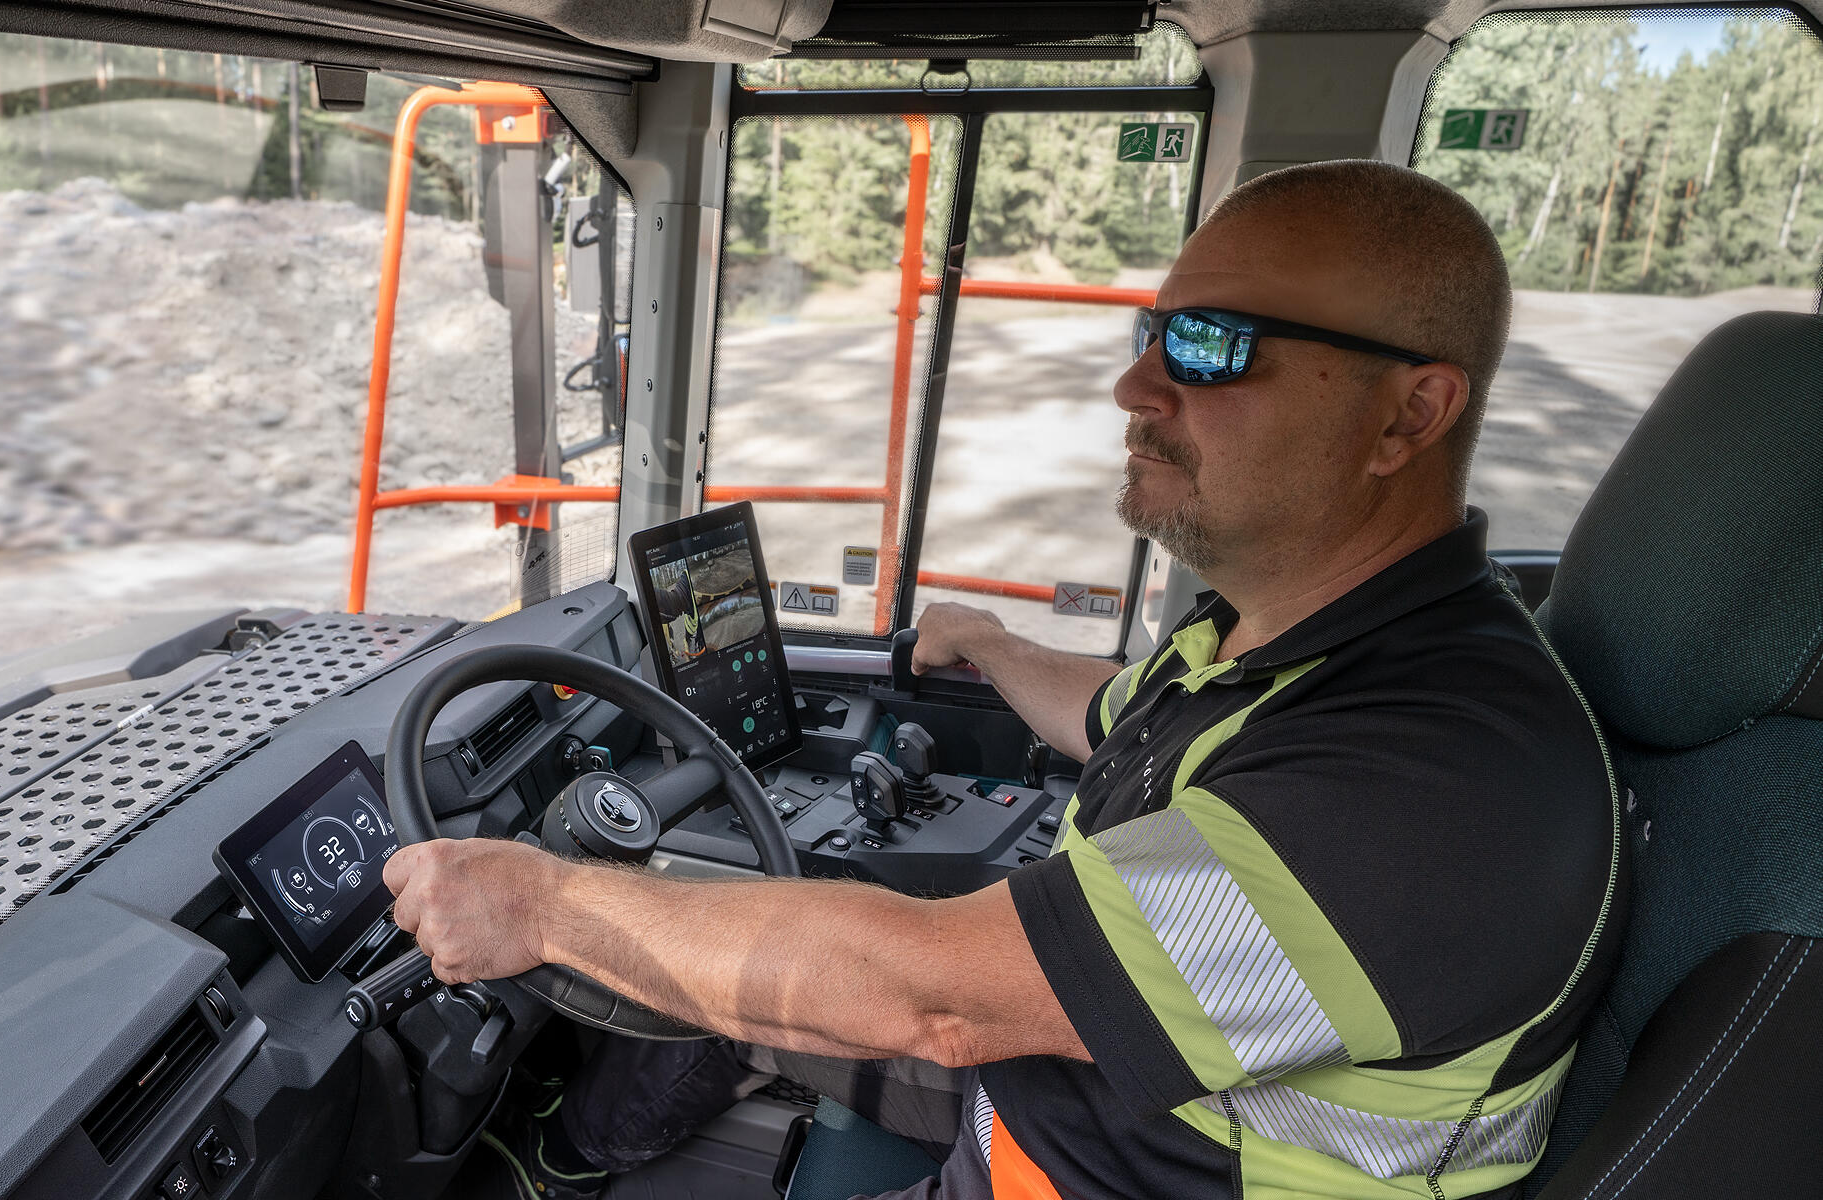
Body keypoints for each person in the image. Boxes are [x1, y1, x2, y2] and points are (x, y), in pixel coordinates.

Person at [384, 160, 1620, 1200]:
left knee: (795, 935)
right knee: (776, 912)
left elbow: (936, 1005)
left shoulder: (1428, 782)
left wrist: (540, 906)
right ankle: (561, 1157)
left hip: (1078, 1166)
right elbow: (1118, 721)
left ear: (1408, 416)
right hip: (1075, 1112)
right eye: (1150, 334)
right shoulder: (1297, 649)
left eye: (1205, 345)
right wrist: (988, 646)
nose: (1136, 388)